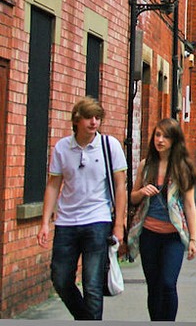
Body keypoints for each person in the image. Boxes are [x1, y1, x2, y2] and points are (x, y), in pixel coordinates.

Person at [37, 97, 127, 320]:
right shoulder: (62, 148)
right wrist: (45, 223)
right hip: (66, 222)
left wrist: (118, 225)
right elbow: (53, 185)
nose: (94, 122)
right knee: (60, 278)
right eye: (88, 117)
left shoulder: (109, 146)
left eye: (97, 117)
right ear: (76, 120)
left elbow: (120, 186)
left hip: (98, 220)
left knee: (93, 284)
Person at [128, 118, 196, 321]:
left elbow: (189, 204)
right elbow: (133, 197)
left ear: (174, 140)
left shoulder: (182, 168)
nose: (160, 140)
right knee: (154, 286)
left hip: (173, 235)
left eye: (165, 136)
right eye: (157, 135)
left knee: (168, 283)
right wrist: (142, 191)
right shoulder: (146, 165)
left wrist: (193, 239)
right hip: (149, 233)